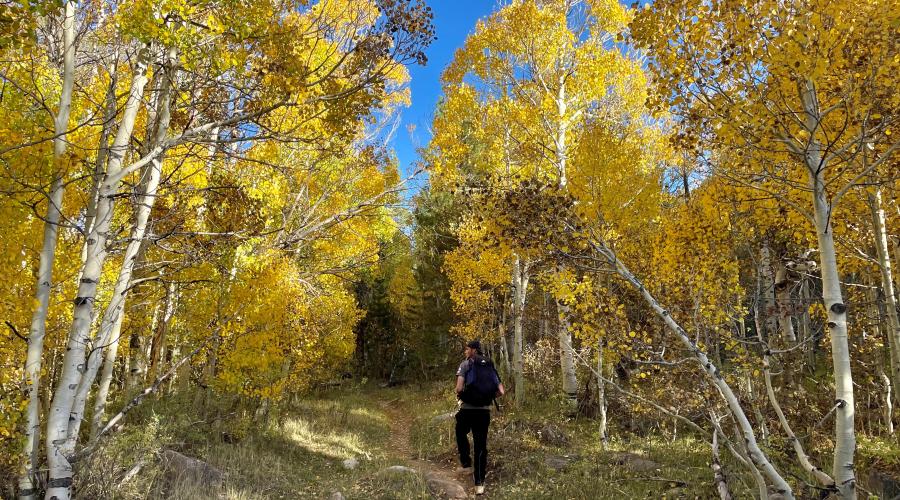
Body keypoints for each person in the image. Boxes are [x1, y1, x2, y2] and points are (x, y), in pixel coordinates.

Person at [455, 339, 505, 496]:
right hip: (484, 412)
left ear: (473, 350)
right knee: (481, 446)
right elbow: (501, 391)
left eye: (467, 349)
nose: (465, 351)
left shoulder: (465, 364)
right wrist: (487, 396)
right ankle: (479, 484)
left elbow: (458, 387)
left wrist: (462, 396)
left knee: (460, 431)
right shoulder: (489, 365)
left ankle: (465, 462)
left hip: (467, 410)